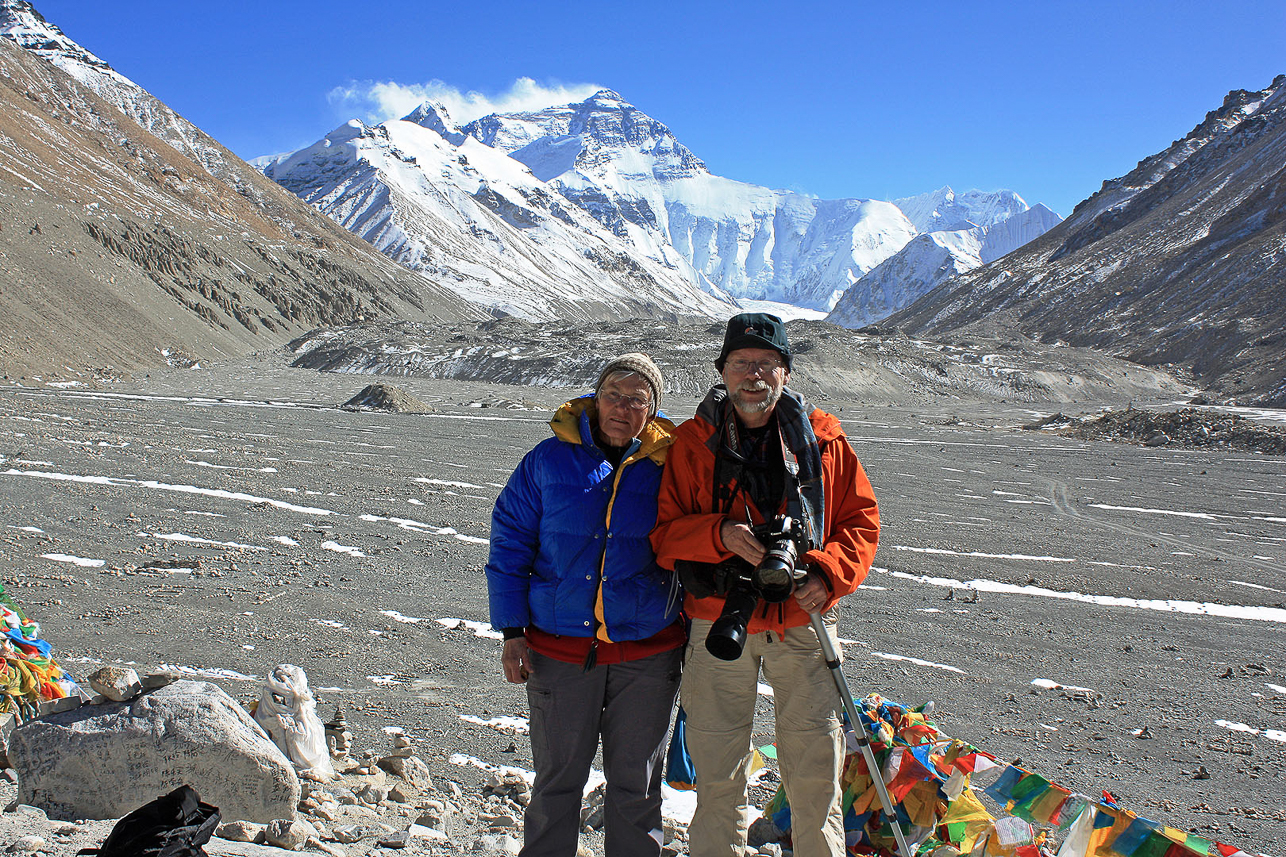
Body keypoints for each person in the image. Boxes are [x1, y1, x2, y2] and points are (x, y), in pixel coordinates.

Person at [650, 313, 880, 857]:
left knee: (814, 772)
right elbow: (663, 537)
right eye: (741, 363)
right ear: (722, 371)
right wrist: (719, 535)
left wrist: (827, 574)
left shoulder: (822, 441)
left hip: (804, 616)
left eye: (766, 364)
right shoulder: (694, 443)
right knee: (717, 769)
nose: (753, 375)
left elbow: (860, 523)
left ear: (786, 373)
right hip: (718, 618)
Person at [486, 353, 685, 857]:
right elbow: (510, 541)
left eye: (636, 399)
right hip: (559, 652)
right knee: (556, 785)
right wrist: (512, 631)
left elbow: (693, 546)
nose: (622, 407)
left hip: (647, 653)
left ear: (652, 409)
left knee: (637, 788)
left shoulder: (671, 466)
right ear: (595, 399)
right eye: (613, 394)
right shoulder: (547, 461)